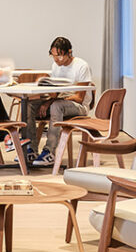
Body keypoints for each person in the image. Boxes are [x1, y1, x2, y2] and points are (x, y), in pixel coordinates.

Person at [24, 36, 92, 166]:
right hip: (59, 102)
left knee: (56, 106)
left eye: (60, 56)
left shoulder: (82, 66)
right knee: (29, 105)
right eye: (53, 56)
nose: (56, 60)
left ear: (69, 52)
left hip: (79, 106)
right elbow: (55, 94)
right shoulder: (55, 66)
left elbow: (79, 98)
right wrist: (47, 96)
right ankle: (31, 149)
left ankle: (50, 152)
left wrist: (52, 102)